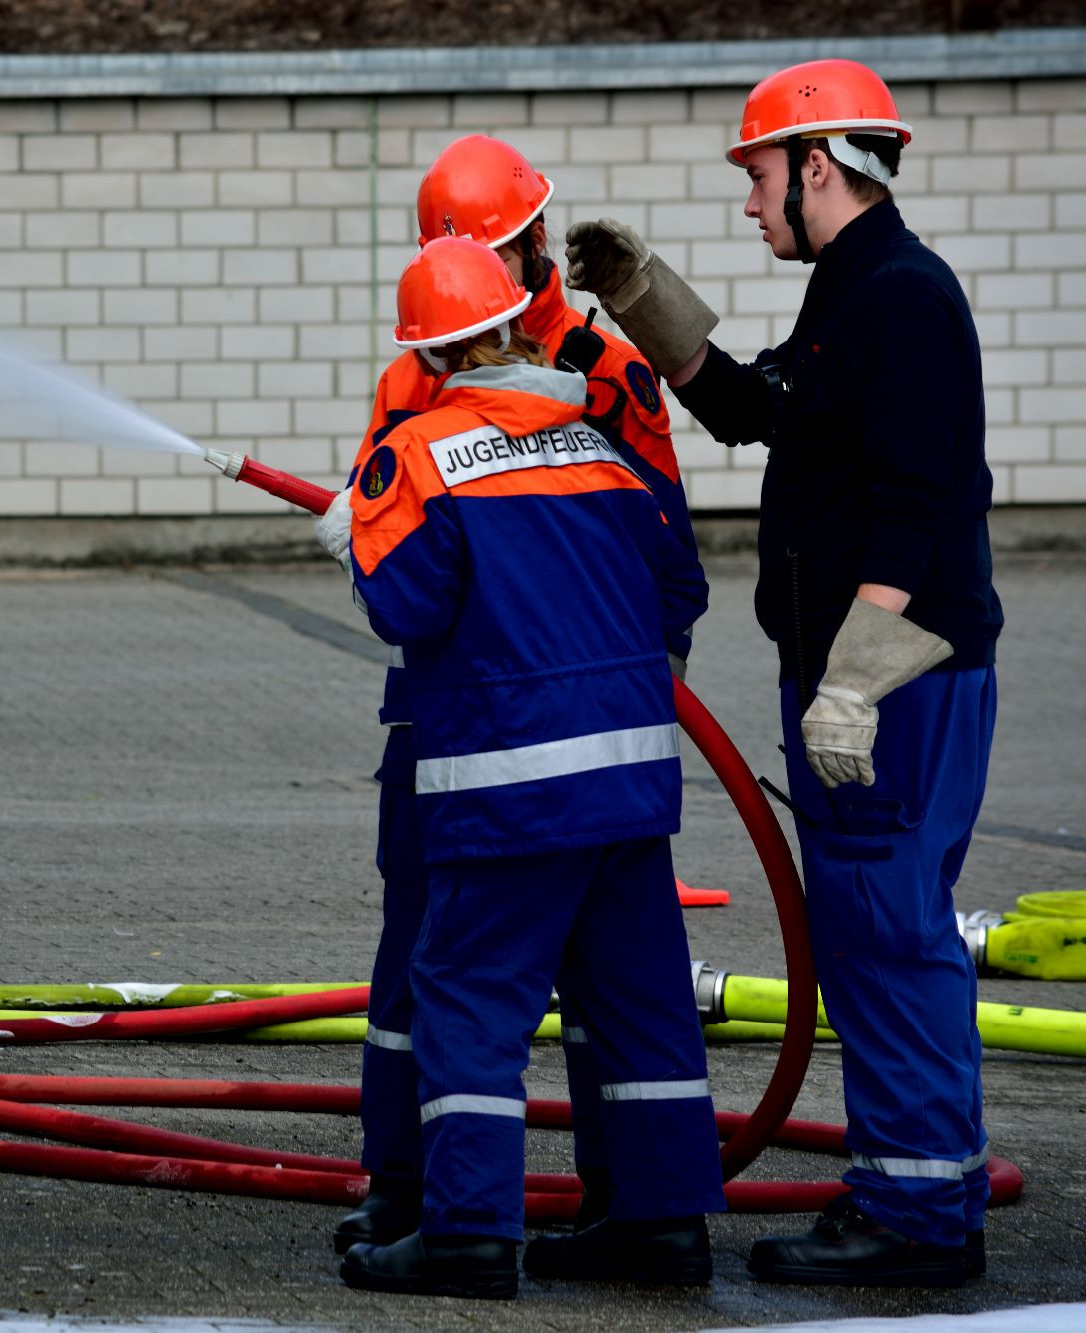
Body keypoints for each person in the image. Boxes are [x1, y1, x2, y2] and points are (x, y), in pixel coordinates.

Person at [564, 58, 1003, 1287]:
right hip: (878, 673)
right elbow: (760, 410)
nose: (748, 200)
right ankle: (919, 1188)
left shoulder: (898, 297)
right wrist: (637, 296)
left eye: (757, 175)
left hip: (893, 679)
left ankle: (916, 1217)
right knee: (875, 926)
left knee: (883, 930)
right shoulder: (852, 290)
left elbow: (915, 503)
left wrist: (851, 683)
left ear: (817, 166)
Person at [320, 237, 723, 1300]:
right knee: (637, 999)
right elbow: (676, 588)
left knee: (468, 995)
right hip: (628, 778)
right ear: (510, 326)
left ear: (428, 354)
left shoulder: (417, 453)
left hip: (509, 785)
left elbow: (408, 606)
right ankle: (661, 1225)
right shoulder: (597, 446)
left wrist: (356, 536)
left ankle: (465, 1234)